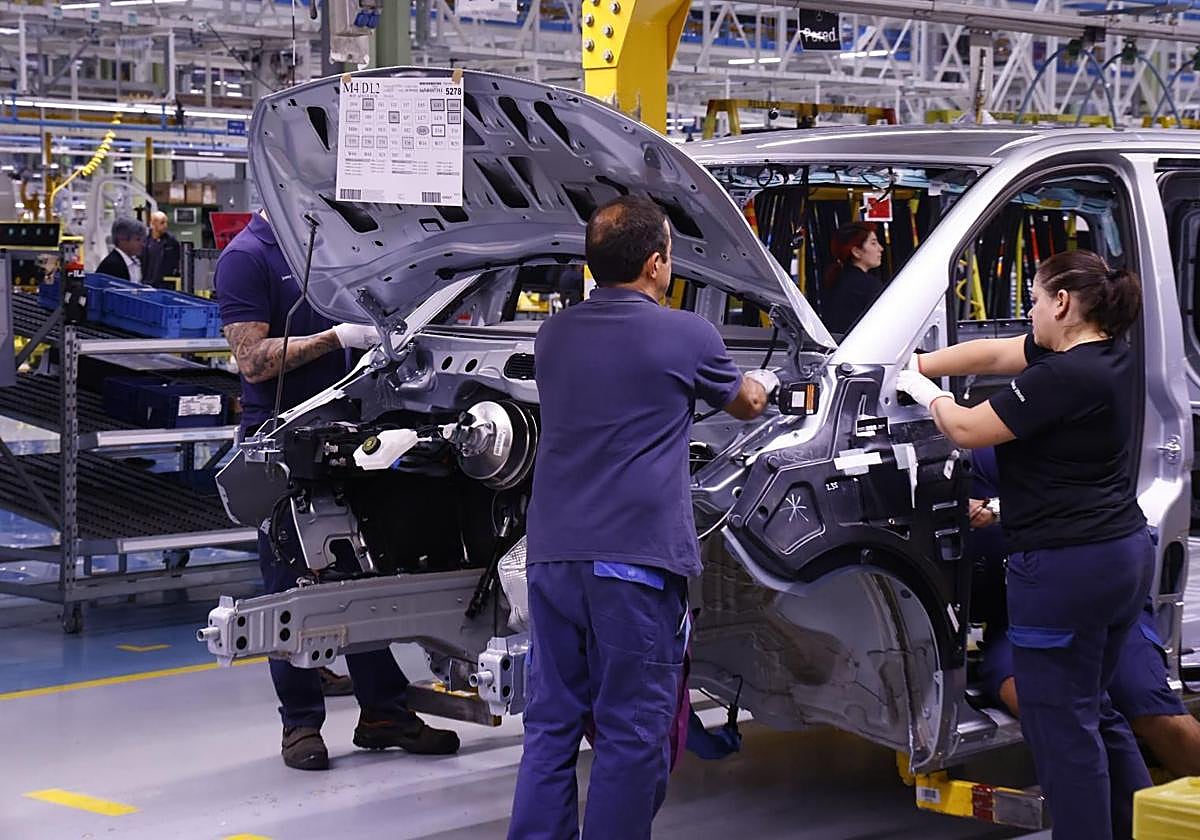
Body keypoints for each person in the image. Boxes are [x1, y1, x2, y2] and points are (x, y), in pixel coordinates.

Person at [508, 196, 776, 840]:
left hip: (551, 556)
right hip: (632, 564)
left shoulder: (553, 333)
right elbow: (743, 404)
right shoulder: (686, 334)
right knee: (631, 731)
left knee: (551, 724)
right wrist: (765, 383)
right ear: (657, 263)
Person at [897, 248, 1154, 840]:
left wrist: (920, 390)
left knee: (1059, 729)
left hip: (1066, 571)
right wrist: (919, 361)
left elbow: (964, 428)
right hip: (1119, 555)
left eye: (1035, 300)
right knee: (1091, 709)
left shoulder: (1064, 377)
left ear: (1063, 303)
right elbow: (998, 351)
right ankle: (1139, 830)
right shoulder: (1106, 352)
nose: (1029, 313)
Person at [215, 210, 460, 771]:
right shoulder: (247, 258)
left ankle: (384, 712)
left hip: (351, 434)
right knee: (290, 586)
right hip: (282, 440)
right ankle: (300, 724)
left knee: (364, 573)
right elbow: (252, 362)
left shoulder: (341, 252)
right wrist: (334, 340)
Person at [966, 448, 1200, 779]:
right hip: (1017, 625)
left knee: (1152, 709)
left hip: (1097, 603)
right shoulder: (912, 497)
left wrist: (995, 510)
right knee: (1036, 698)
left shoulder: (1003, 453)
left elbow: (1077, 503)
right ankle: (1124, 805)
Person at [822, 221, 885, 334]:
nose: (880, 248)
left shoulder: (834, 280)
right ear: (856, 252)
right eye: (873, 243)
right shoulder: (869, 286)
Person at [96, 217, 147, 282]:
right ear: (122, 239)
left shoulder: (135, 262)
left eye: (143, 240)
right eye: (137, 240)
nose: (142, 244)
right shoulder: (112, 266)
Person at [144, 210, 182, 288]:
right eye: (162, 223)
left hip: (165, 284)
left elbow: (178, 260)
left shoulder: (171, 242)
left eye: (166, 222)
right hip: (146, 283)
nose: (165, 225)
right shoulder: (145, 241)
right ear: (153, 223)